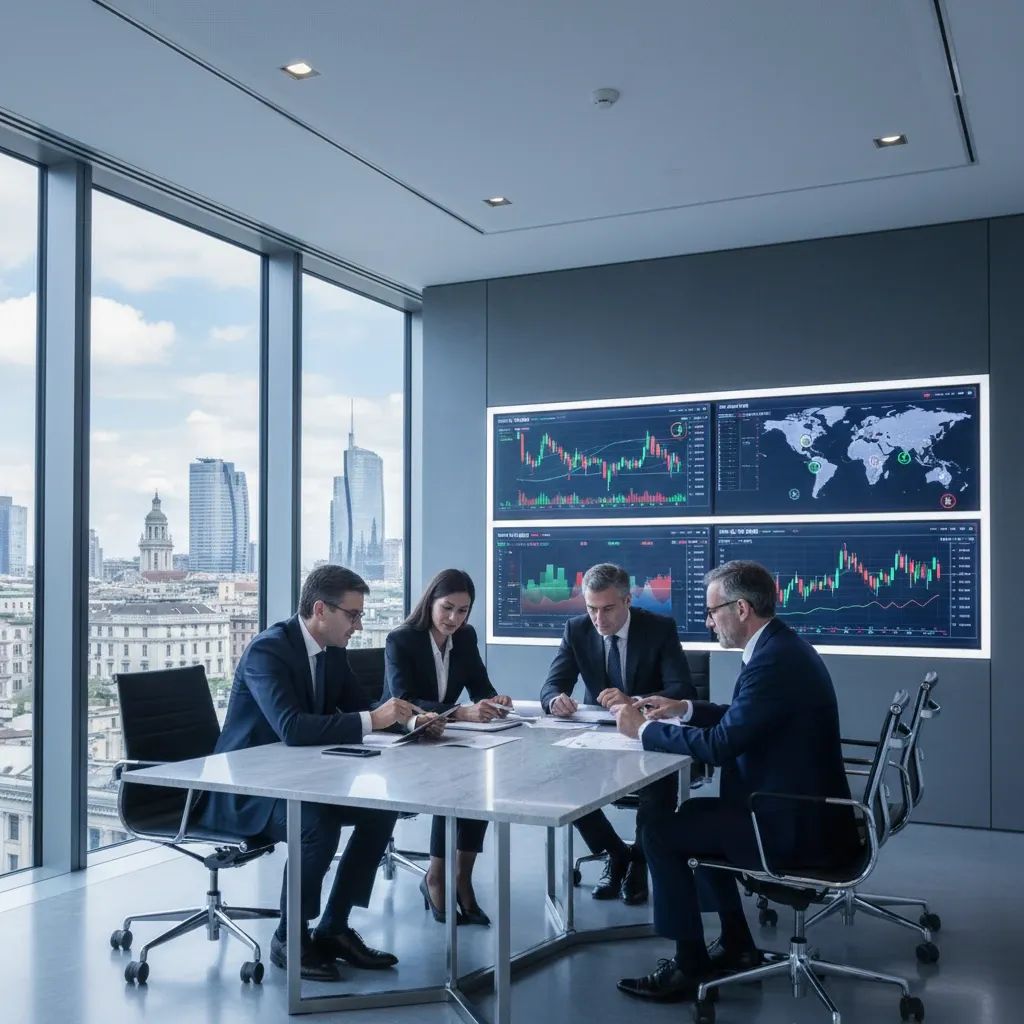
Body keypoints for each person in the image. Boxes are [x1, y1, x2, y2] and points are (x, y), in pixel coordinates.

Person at [612, 560, 858, 1002]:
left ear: (741, 609)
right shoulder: (780, 649)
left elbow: (723, 746)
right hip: (802, 810)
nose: (709, 622)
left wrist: (643, 730)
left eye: (713, 612)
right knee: (691, 816)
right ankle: (737, 944)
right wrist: (683, 709)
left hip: (788, 827)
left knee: (659, 831)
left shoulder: (773, 663)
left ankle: (688, 966)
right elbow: (747, 719)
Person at [199, 564, 437, 982]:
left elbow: (359, 706)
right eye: (353, 615)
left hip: (297, 778)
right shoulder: (267, 651)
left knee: (379, 811)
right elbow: (291, 727)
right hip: (244, 789)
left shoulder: (330, 653)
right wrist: (373, 719)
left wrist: (413, 723)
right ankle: (290, 938)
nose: (359, 625)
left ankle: (334, 929)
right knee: (317, 824)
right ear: (321, 610)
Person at [539, 562, 694, 904]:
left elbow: (682, 689)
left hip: (648, 735)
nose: (599, 619)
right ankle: (614, 852)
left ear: (627, 600)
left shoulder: (659, 629)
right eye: (591, 608)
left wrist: (635, 703)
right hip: (597, 738)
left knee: (655, 790)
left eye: (607, 608)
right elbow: (552, 684)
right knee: (562, 782)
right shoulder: (577, 629)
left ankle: (639, 861)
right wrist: (555, 701)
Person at [383, 568, 512, 926]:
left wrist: (494, 701)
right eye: (448, 608)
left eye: (463, 610)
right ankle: (436, 877)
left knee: (477, 780)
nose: (455, 618)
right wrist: (461, 713)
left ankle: (461, 878)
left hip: (443, 735)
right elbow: (403, 700)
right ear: (431, 603)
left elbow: (480, 686)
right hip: (400, 738)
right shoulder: (401, 640)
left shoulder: (465, 638)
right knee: (455, 783)